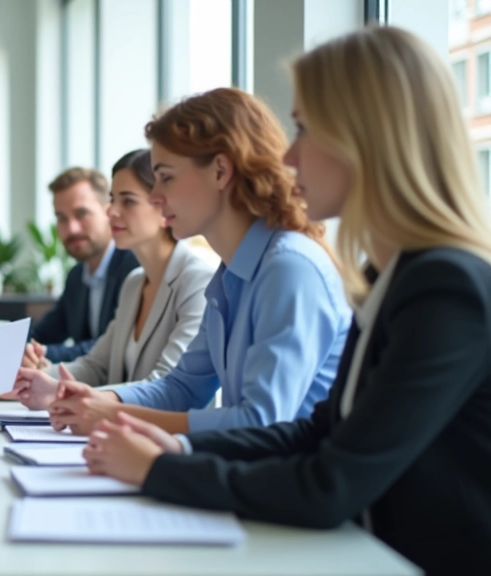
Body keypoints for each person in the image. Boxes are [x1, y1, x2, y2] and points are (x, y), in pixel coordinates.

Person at [83, 27, 491, 575]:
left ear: (365, 137)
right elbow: (317, 432)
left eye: (303, 129)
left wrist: (160, 470)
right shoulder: (389, 274)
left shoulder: (445, 287)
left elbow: (332, 482)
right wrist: (175, 451)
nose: (289, 155)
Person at [16, 87, 352, 436]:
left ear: (220, 171)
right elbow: (181, 388)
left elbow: (259, 421)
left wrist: (110, 414)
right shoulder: (229, 275)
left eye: (166, 177)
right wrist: (96, 401)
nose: (156, 197)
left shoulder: (288, 269)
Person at [17, 150, 215, 409]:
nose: (111, 212)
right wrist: (41, 377)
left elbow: (168, 384)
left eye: (128, 201)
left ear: (164, 204)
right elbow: (96, 366)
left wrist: (77, 396)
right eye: (112, 200)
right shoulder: (134, 283)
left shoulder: (198, 280)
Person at [26, 167, 140, 364]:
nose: (71, 228)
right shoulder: (77, 277)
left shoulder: (134, 267)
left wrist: (40, 354)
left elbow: (111, 346)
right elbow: (42, 334)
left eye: (82, 214)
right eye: (62, 218)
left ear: (109, 212)